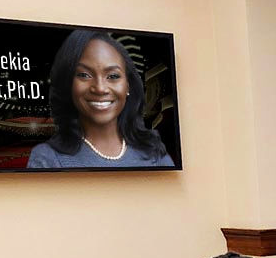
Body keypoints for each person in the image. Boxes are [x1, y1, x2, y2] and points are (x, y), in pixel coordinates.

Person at [28, 29, 176, 169]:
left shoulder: (153, 152)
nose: (100, 88)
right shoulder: (47, 158)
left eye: (113, 76)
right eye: (84, 75)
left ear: (128, 86)